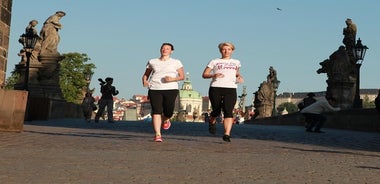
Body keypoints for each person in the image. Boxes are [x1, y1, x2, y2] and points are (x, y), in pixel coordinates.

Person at [142, 43, 185, 142]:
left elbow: (182, 76)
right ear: (160, 50)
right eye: (163, 48)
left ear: (171, 51)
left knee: (168, 112)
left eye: (167, 48)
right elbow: (146, 75)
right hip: (155, 88)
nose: (165, 50)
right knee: (156, 111)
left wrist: (172, 79)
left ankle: (166, 119)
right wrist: (145, 81)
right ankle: (158, 134)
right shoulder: (152, 61)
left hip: (171, 88)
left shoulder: (176, 62)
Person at [202, 42, 244, 142]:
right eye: (224, 49)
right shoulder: (214, 61)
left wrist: (239, 77)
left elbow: (236, 73)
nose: (226, 51)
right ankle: (212, 120)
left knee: (228, 111)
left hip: (231, 88)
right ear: (221, 51)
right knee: (216, 110)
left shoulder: (236, 62)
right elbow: (204, 74)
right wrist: (213, 75)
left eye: (229, 49)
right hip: (216, 87)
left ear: (232, 51)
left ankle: (227, 134)